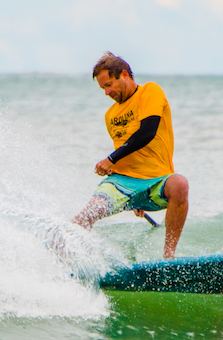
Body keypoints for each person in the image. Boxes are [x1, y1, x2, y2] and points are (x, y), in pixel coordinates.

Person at [72, 52, 189, 258]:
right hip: (123, 182)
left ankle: (168, 258)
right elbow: (126, 148)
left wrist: (110, 159)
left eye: (109, 85)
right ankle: (72, 262)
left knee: (179, 184)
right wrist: (134, 198)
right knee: (86, 216)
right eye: (103, 88)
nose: (107, 92)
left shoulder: (150, 92)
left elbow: (147, 132)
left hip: (156, 181)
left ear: (124, 74)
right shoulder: (110, 115)